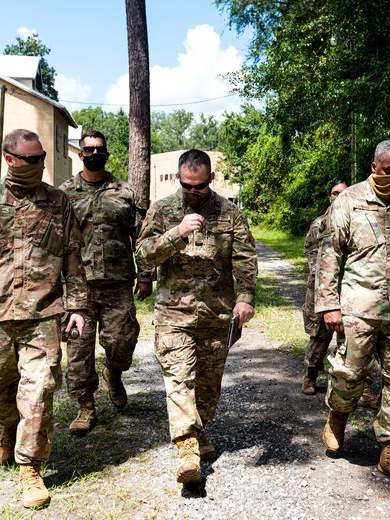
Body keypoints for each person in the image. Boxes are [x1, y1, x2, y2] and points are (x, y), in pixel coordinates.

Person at [0, 129, 88, 508]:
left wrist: (77, 306)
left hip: (44, 315)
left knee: (39, 391)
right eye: (32, 159)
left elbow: (73, 257)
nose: (41, 165)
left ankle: (30, 469)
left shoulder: (59, 203)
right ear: (10, 159)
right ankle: (10, 426)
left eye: (43, 158)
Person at [315, 139, 390, 488]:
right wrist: (328, 304)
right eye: (389, 171)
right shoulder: (348, 202)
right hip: (358, 308)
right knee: (350, 374)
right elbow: (329, 257)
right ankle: (337, 416)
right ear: (374, 168)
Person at [135, 149, 258, 485]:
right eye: (186, 186)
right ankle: (187, 450)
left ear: (210, 179)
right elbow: (144, 256)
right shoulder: (162, 210)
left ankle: (199, 432)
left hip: (217, 315)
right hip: (174, 315)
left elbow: (245, 259)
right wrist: (177, 234)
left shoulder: (229, 213)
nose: (192, 192)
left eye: (199, 186)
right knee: (179, 380)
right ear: (178, 179)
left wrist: (245, 297)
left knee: (207, 388)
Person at [59, 131, 153, 436]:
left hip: (118, 284)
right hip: (78, 289)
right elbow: (54, 242)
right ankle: (85, 407)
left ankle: (114, 372)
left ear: (107, 154)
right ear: (80, 154)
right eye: (89, 149)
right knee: (78, 353)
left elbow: (142, 237)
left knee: (122, 343)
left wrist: (146, 275)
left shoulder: (125, 192)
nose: (94, 153)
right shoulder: (64, 195)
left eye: (99, 149)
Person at [301, 180, 379, 408]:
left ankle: (362, 388)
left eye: (343, 193)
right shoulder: (319, 224)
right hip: (322, 289)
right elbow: (313, 256)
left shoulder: (360, 219)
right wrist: (326, 285)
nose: (338, 197)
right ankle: (311, 374)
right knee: (320, 337)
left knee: (359, 340)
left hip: (353, 290)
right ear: (329, 196)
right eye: (335, 193)